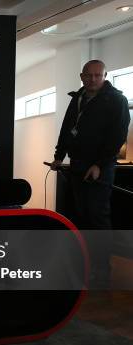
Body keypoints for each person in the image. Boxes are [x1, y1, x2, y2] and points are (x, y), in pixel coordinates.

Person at [50, 60, 130, 286]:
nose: (93, 79)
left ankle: (102, 269)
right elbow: (67, 128)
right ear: (82, 76)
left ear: (105, 76)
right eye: (89, 75)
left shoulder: (117, 101)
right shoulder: (78, 98)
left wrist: (101, 165)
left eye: (98, 75)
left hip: (100, 169)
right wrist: (59, 156)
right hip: (77, 165)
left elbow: (117, 136)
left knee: (97, 218)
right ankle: (85, 263)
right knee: (81, 216)